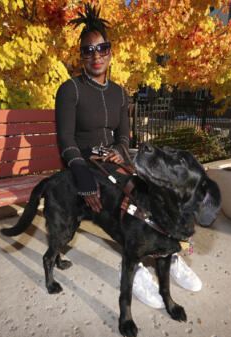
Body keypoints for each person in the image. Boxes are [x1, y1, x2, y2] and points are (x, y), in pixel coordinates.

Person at [55, 4, 202, 309]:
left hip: (113, 159)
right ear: (80, 55)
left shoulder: (121, 93)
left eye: (102, 48)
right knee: (129, 198)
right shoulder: (69, 90)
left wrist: (119, 153)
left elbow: (125, 137)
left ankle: (170, 252)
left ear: (111, 52)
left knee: (158, 189)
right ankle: (138, 268)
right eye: (88, 50)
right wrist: (81, 173)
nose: (96, 55)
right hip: (84, 163)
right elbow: (66, 140)